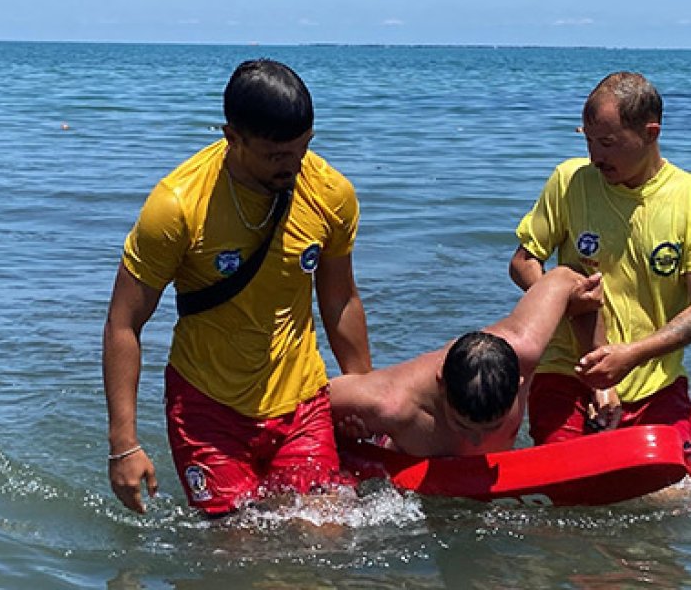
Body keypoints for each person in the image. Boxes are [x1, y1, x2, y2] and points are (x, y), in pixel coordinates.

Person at [102, 59, 373, 516]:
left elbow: (340, 299)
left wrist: (367, 397)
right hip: (208, 410)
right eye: (276, 156)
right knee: (236, 549)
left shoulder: (330, 194)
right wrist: (123, 444)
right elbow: (123, 323)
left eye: (303, 148)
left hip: (302, 403)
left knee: (329, 534)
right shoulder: (177, 205)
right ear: (232, 137)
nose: (294, 166)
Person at [509, 71, 691, 460]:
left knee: (677, 489)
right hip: (567, 374)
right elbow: (524, 262)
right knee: (569, 482)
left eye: (607, 143)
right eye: (589, 141)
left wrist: (632, 355)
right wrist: (561, 298)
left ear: (650, 133)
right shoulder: (569, 181)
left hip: (655, 383)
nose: (595, 157)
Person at [329, 267, 608, 457]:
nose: (477, 440)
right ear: (441, 386)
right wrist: (345, 437)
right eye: (461, 425)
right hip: (400, 452)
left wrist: (600, 381)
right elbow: (307, 401)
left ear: (520, 383)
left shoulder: (525, 346)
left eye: (493, 427)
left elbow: (569, 279)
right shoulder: (390, 403)